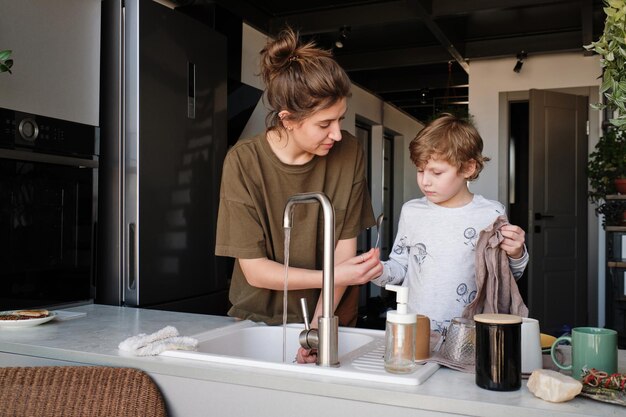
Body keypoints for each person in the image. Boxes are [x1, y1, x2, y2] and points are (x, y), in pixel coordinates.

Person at [215, 28, 382, 360]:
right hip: (258, 320)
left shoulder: (348, 152)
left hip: (330, 315)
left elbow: (342, 253)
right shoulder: (244, 162)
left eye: (340, 119)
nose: (336, 133)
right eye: (324, 124)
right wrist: (335, 275)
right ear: (287, 120)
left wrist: (317, 332)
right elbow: (255, 270)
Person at [372, 114, 529, 333]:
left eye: (436, 172)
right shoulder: (412, 212)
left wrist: (517, 253)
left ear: (468, 168)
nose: (425, 181)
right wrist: (375, 270)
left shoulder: (491, 213)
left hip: (470, 333)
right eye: (420, 170)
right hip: (416, 330)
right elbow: (399, 268)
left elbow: (504, 277)